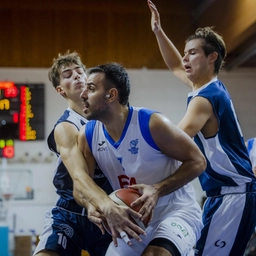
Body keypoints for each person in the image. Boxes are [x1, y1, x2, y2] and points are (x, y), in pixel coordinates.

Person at [147, 0, 256, 255]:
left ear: (212, 57)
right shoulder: (205, 89)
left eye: (192, 52)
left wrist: (139, 143)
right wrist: (158, 32)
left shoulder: (203, 101)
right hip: (223, 195)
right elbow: (175, 65)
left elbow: (176, 139)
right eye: (185, 52)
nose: (185, 57)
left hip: (234, 195)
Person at [70, 62, 207, 256]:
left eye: (91, 89)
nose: (83, 95)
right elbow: (80, 187)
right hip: (132, 222)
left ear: (111, 95)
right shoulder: (88, 135)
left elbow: (199, 161)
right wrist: (92, 205)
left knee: (154, 254)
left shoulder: (152, 123)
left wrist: (157, 190)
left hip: (176, 213)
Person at [33, 51, 113, 256]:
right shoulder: (67, 126)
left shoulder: (109, 119)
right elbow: (80, 178)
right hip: (71, 212)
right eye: (68, 74)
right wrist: (102, 204)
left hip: (107, 212)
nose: (76, 76)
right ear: (60, 90)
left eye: (79, 72)